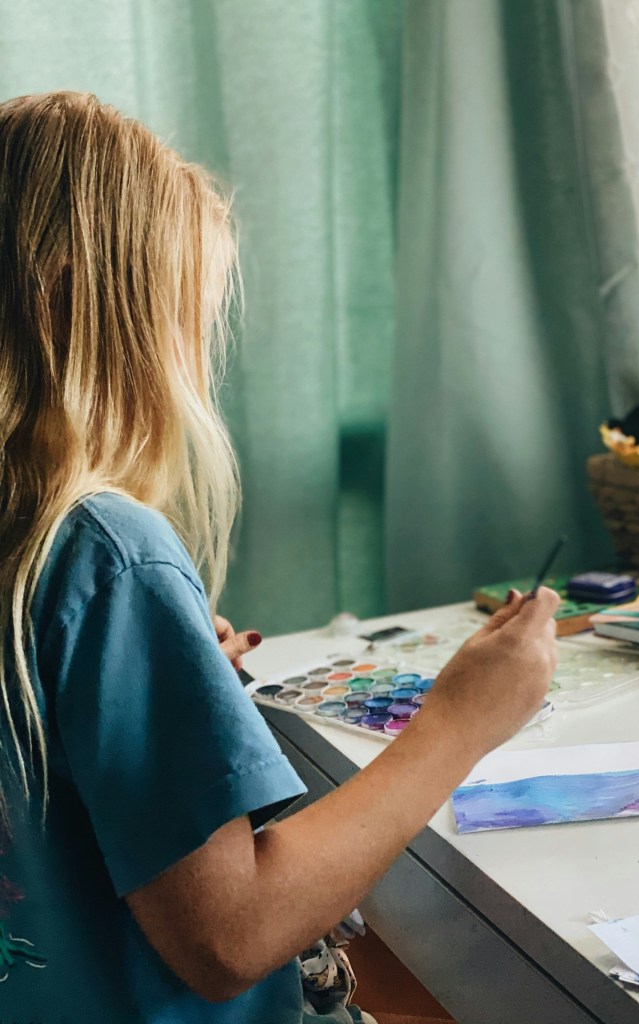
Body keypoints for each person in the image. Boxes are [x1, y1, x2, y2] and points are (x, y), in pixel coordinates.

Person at [0, 91, 559, 1023]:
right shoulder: (111, 554)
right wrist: (461, 721)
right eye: (183, 324)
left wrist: (164, 684)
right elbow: (231, 938)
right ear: (80, 310)